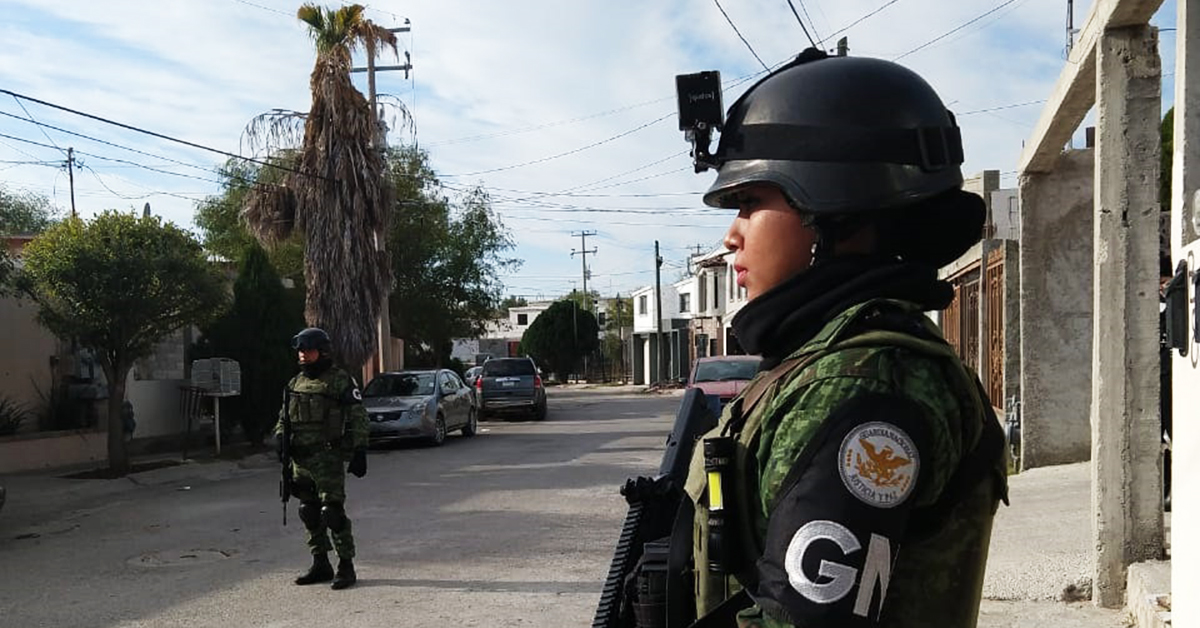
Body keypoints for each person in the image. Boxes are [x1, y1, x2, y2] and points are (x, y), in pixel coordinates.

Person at [678, 49, 1009, 627]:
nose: (731, 236)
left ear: (831, 206)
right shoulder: (820, 362)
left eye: (750, 203)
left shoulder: (860, 384)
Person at [276, 327, 369, 590]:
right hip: (300, 460)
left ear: (323, 351)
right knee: (309, 511)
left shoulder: (340, 380)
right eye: (301, 351)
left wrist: (360, 449)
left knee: (333, 513)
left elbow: (358, 416)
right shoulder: (295, 383)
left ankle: (346, 566)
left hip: (327, 457)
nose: (303, 355)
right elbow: (284, 417)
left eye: (309, 350)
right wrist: (280, 438)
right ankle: (320, 563)